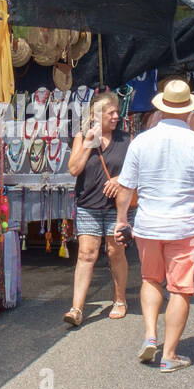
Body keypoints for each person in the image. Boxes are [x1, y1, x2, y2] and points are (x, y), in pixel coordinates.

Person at [115, 79, 194, 373]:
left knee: (150, 280)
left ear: (161, 108)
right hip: (185, 227)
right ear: (189, 112)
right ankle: (169, 354)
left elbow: (126, 187)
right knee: (180, 290)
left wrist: (122, 220)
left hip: (148, 225)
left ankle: (150, 335)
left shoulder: (141, 142)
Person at [63, 92, 130, 327]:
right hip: (88, 205)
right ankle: (77, 308)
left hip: (117, 207)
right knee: (85, 254)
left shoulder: (125, 139)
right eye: (110, 112)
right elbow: (74, 169)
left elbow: (138, 171)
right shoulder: (83, 137)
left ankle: (119, 300)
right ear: (96, 115)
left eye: (116, 111)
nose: (116, 116)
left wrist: (119, 179)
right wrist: (89, 144)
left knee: (115, 252)